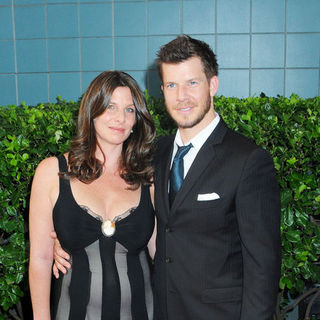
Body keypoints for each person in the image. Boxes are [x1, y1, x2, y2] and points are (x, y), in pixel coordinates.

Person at [53, 35, 282, 320]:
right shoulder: (153, 155)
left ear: (213, 85)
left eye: (192, 83)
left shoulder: (248, 161)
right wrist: (60, 236)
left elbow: (264, 265)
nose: (181, 96)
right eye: (171, 85)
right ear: (162, 90)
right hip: (159, 310)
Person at [28, 71, 156, 320]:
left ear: (137, 120)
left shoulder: (148, 178)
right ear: (92, 111)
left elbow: (164, 255)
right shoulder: (51, 173)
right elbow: (40, 260)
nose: (120, 118)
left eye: (130, 110)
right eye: (110, 107)